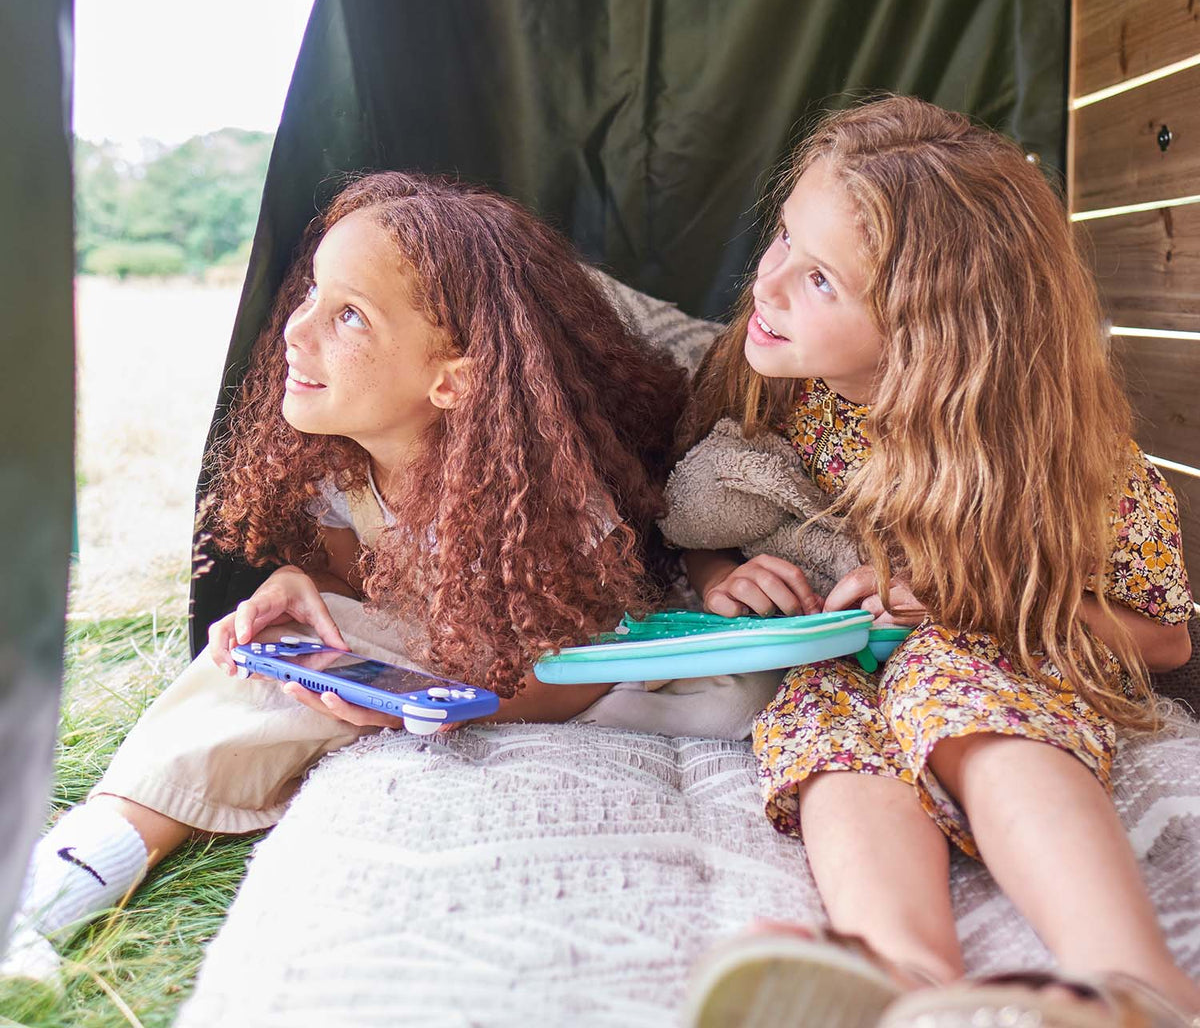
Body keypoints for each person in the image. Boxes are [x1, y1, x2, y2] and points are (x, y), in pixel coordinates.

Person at [4, 171, 690, 985]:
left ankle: (57, 888)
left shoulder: (544, 498)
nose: (296, 330)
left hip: (559, 675)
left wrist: (421, 706)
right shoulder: (348, 473)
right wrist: (301, 584)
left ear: (452, 380)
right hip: (443, 660)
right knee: (275, 653)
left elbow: (573, 672)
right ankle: (65, 882)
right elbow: (358, 585)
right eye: (313, 294)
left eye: (349, 316)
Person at [675, 97, 1199, 1028]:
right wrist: (719, 574)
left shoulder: (1060, 455)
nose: (770, 285)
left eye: (822, 279)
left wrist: (970, 601)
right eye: (782, 240)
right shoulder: (768, 375)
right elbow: (703, 505)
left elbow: (1161, 641)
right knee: (825, 731)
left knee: (959, 683)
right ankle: (907, 982)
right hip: (837, 657)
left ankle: (1138, 983)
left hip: (986, 650)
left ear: (933, 326)